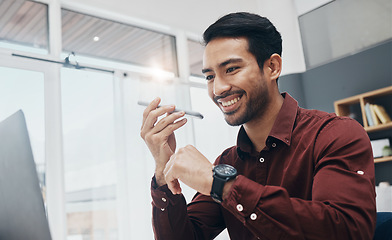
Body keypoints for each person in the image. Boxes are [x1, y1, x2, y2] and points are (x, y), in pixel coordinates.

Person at [140, 12, 376, 240]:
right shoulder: (227, 163)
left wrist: (222, 185)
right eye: (210, 76)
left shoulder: (335, 135)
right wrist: (163, 169)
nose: (218, 89)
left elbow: (347, 231)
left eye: (231, 69)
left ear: (272, 67)